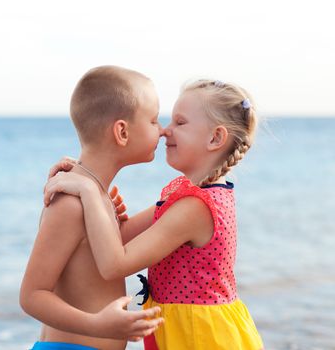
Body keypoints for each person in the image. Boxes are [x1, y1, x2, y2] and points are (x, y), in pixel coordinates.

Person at [44, 79, 264, 349]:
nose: (165, 131)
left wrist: (88, 192)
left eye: (180, 123)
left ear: (215, 138)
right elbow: (121, 238)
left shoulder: (195, 208)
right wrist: (92, 184)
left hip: (199, 338)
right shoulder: (184, 195)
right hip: (184, 331)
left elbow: (114, 264)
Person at [19, 65, 164, 350]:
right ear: (121, 132)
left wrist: (188, 196)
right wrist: (97, 324)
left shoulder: (93, 194)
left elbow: (102, 252)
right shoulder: (71, 203)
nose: (161, 131)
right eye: (154, 121)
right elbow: (32, 295)